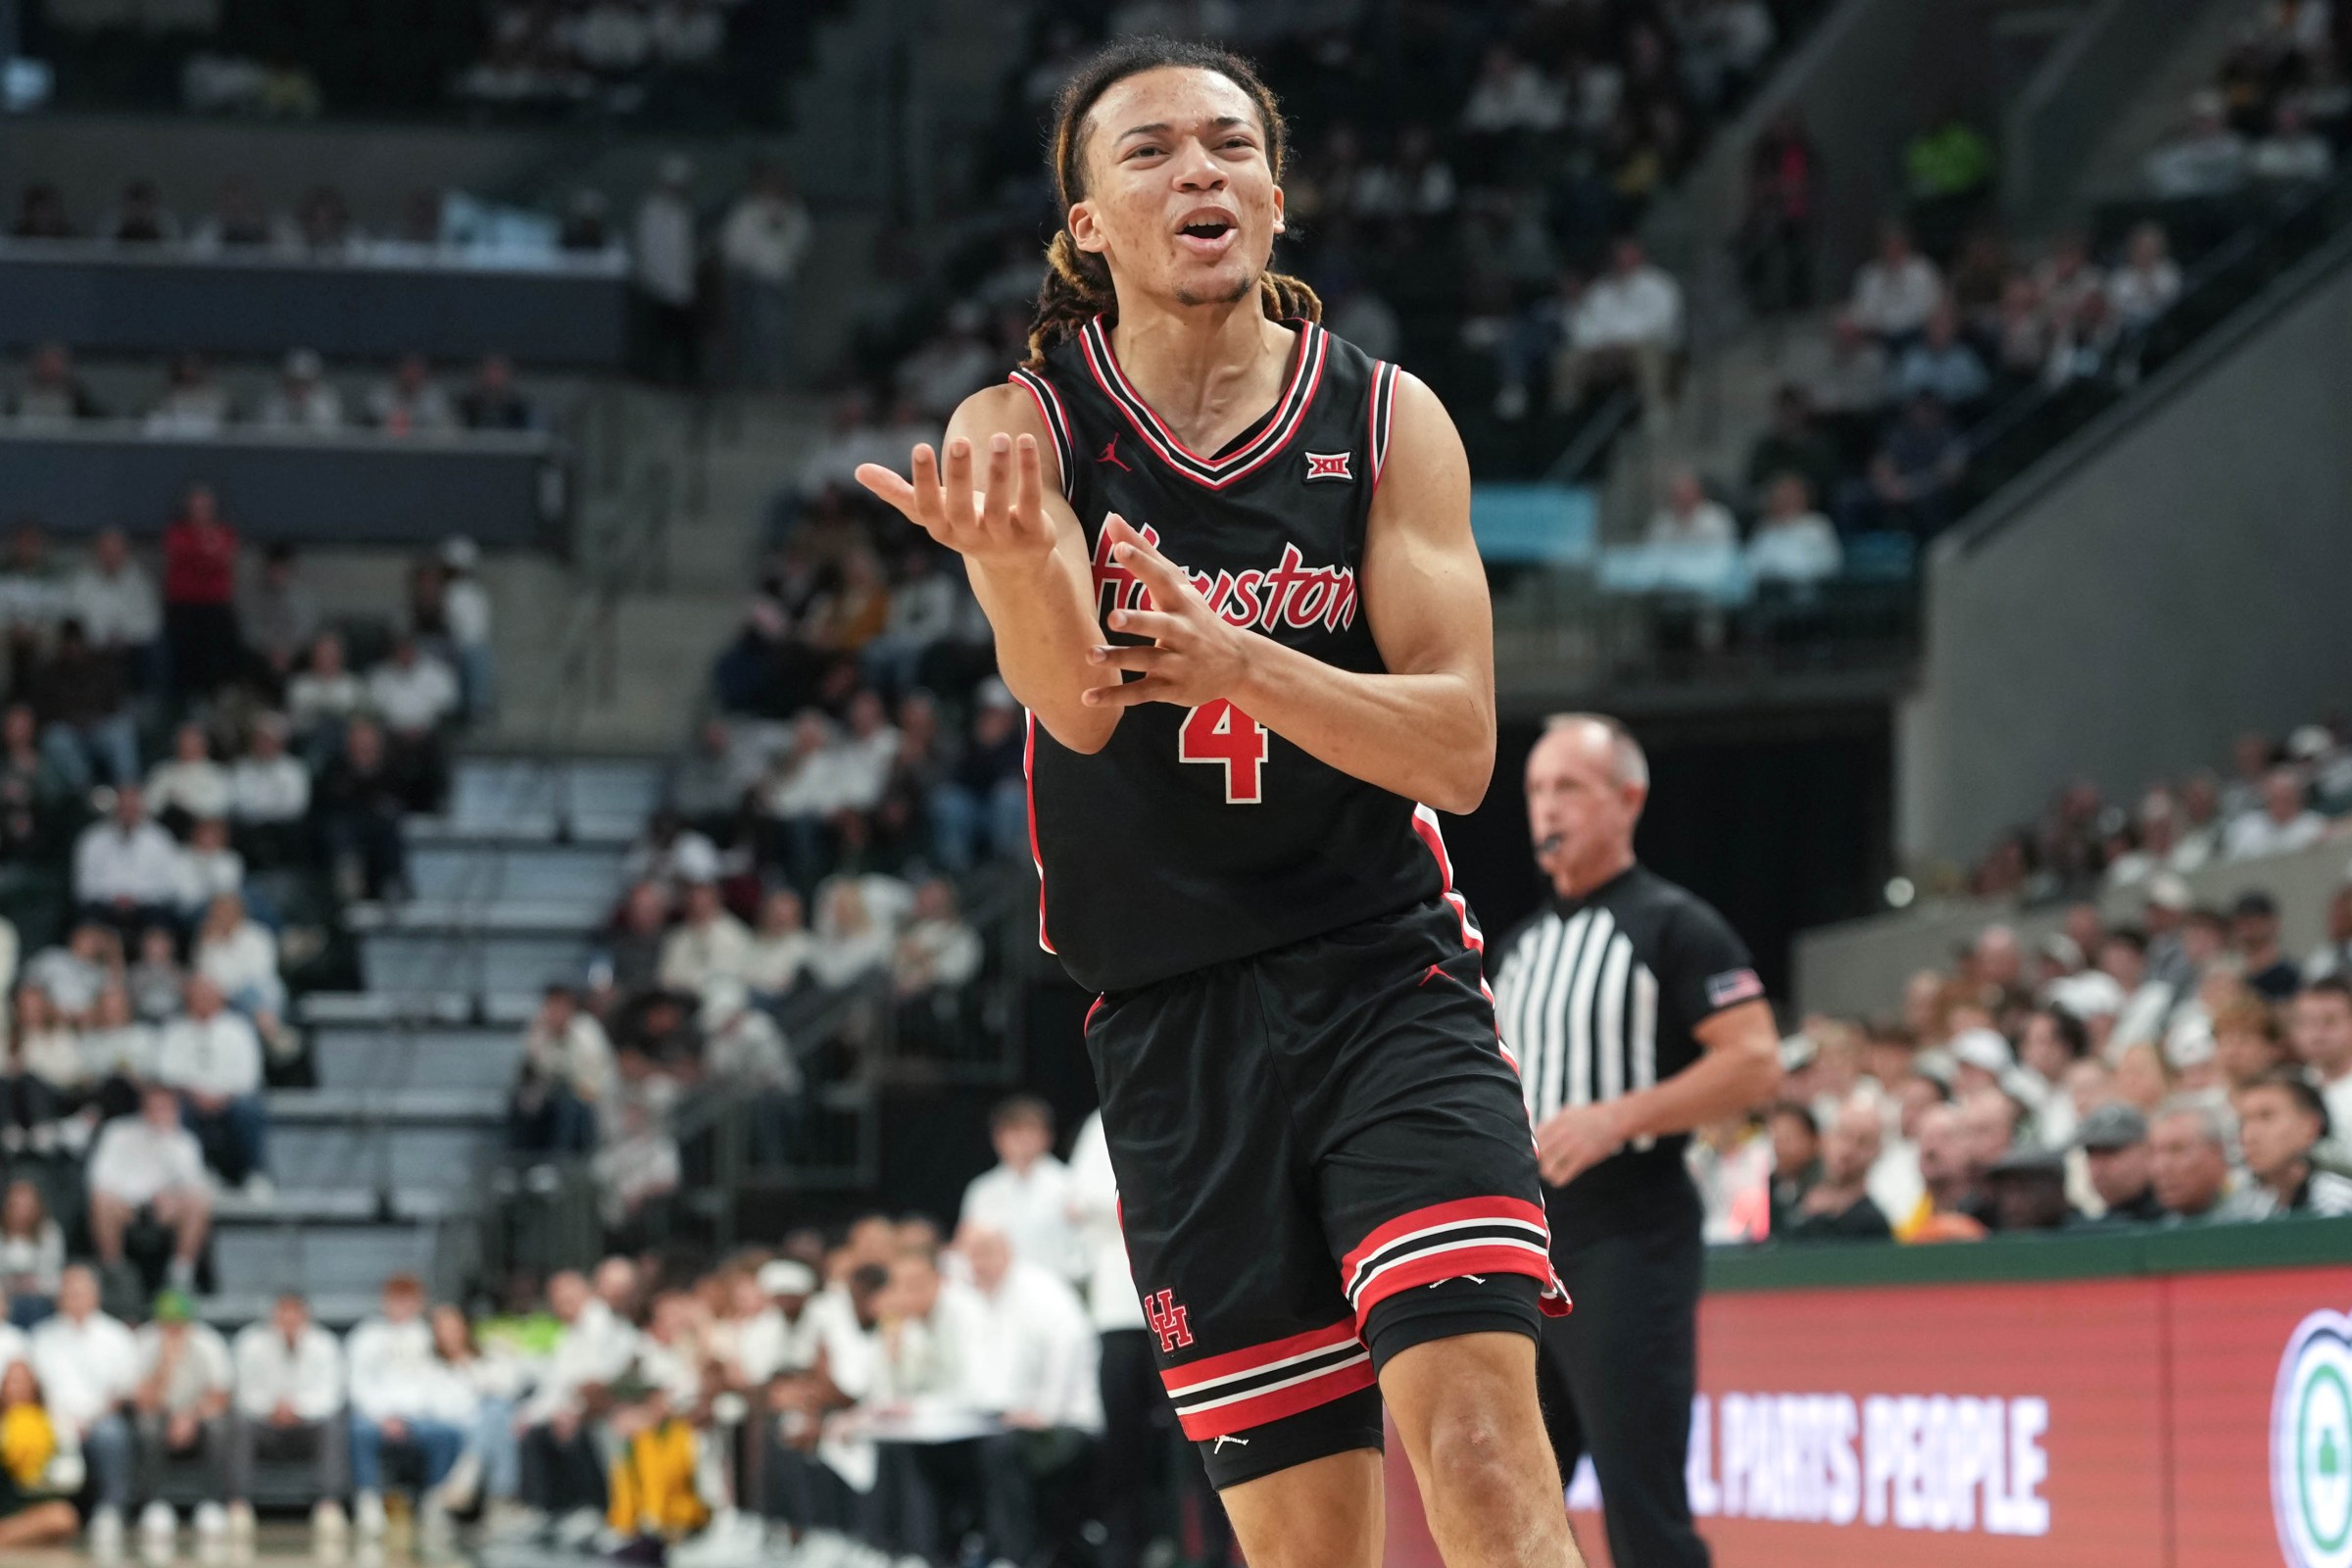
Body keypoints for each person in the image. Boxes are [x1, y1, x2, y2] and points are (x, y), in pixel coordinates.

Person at [856, 37, 1582, 1568]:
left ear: (1272, 190)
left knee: (1479, 1445)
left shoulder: (1390, 421)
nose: (1203, 171)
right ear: (1086, 232)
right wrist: (1005, 561)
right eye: (1153, 152)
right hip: (1172, 1018)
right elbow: (1072, 696)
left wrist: (1241, 659)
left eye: (1232, 145)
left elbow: (1455, 752)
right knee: (1310, 1544)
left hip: (1384, 977)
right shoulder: (1024, 427)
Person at [1491, 715, 1781, 1568]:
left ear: (1628, 800)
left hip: (1630, 1236)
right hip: (1527, 1252)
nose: (1548, 808)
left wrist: (1619, 1115)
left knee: (1640, 1508)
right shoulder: (1514, 950)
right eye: (1537, 789)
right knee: (1511, 1502)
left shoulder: (1674, 926)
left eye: (1569, 788)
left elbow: (1756, 1063)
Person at [347, 1274, 466, 1540]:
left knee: (448, 1433)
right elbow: (358, 1384)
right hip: (376, 1417)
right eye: (396, 1299)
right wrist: (384, 1417)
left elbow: (435, 1382)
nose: (401, 1306)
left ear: (418, 1303)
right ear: (385, 1301)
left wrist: (408, 1417)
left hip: (418, 1417)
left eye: (408, 1300)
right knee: (358, 1430)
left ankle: (435, 1501)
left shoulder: (429, 1335)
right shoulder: (365, 1335)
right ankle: (368, 1501)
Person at [29, 1266, 139, 1552]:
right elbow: (36, 1388)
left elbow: (123, 1392)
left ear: (95, 1296)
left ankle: (111, 1510)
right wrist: (62, 1421)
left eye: (81, 1292)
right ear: (59, 1297)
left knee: (111, 1434)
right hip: (53, 1419)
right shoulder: (43, 1336)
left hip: (101, 1418)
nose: (74, 1298)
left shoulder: (116, 1335)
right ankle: (35, 1512)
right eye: (69, 1292)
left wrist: (90, 1420)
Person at [228, 1295, 350, 1541]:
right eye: (283, 1314)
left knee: (332, 1425)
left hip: (307, 1424)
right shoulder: (251, 1342)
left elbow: (331, 1393)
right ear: (273, 1316)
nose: (288, 1321)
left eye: (294, 1315)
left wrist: (297, 1408)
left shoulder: (324, 1343)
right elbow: (241, 1391)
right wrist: (272, 1408)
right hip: (265, 1423)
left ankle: (329, 1504)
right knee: (239, 1424)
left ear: (305, 1316)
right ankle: (238, 1504)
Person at [129, 1289, 233, 1548]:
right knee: (147, 1426)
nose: (173, 1329)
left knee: (219, 1426)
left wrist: (190, 1416)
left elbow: (220, 1396)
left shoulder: (208, 1342)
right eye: (167, 1323)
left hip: (197, 1415)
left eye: (178, 1323)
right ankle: (155, 1504)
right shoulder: (145, 1342)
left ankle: (212, 1504)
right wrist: (165, 1365)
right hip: (161, 1414)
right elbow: (142, 1401)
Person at [87, 1085, 213, 1291]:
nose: (158, 1113)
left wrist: (171, 1196)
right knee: (101, 1201)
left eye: (165, 1108)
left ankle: (181, 1274)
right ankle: (114, 1274)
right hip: (125, 1206)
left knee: (198, 1202)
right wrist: (130, 1198)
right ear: (143, 1109)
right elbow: (99, 1178)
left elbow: (195, 1183)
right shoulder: (118, 1133)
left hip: (165, 1211)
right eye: (154, 1107)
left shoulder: (183, 1142)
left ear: (175, 1110)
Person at [154, 976, 270, 1195]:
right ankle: (198, 1175)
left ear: (219, 998)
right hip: (189, 1098)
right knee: (174, 1110)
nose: (202, 1000)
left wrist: (220, 1097)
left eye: (208, 995)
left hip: (231, 1099)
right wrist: (197, 1095)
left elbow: (249, 1076)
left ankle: (254, 1174)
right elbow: (167, 1075)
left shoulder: (238, 1029)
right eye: (197, 995)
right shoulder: (175, 1030)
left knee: (248, 1110)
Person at [957, 1096, 1079, 1283]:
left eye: (1031, 1130)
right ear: (998, 1138)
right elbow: (968, 1248)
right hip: (1000, 1293)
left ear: (1047, 1137)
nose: (1023, 1139)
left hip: (1060, 1290)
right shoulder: (982, 1191)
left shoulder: (1070, 1184)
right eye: (1014, 1131)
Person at [719, 163, 811, 388]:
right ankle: (753, 380)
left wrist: (792, 259)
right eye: (769, 180)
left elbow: (803, 241)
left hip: (783, 280)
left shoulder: (793, 210)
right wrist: (748, 266)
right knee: (757, 331)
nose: (773, 185)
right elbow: (733, 246)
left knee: (781, 332)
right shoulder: (747, 210)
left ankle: (776, 379)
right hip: (756, 281)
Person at [2225, 1071, 2352, 1218]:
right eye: (2243, 1121)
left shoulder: (2339, 1206)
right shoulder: (2244, 1207)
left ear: (2309, 1127)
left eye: (2266, 1116)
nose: (2248, 1135)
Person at [161, 484, 241, 702]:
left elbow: (224, 560)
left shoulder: (225, 533)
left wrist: (202, 556)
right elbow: (188, 560)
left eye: (205, 507)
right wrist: (206, 554)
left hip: (214, 610)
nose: (201, 512)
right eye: (196, 507)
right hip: (183, 609)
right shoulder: (176, 534)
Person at [1781, 1094, 1892, 1241]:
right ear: (1825, 1139)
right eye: (1843, 1134)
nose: (1849, 1149)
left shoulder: (1873, 1225)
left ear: (1877, 1152)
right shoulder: (1794, 1203)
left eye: (1863, 1141)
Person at [0, 1360, 83, 1549]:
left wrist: (34, 1471)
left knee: (63, 1517)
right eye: (11, 1382)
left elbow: (71, 1477)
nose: (16, 1389)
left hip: (31, 1503)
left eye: (22, 1382)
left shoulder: (54, 1424)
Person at [2149, 1098, 2234, 1223]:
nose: (2160, 1168)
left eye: (2177, 1150)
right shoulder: (2160, 1229)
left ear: (2216, 1153)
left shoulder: (2257, 1218)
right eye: (2153, 1153)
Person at [2078, 1102, 2163, 1223]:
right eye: (2091, 1154)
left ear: (2147, 1151)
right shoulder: (2092, 1227)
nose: (2099, 1167)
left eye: (2111, 1151)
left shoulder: (2175, 1218)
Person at [0, 1181, 64, 1327]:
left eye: (26, 1207)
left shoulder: (49, 1232)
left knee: (31, 1304)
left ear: (36, 1207)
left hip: (41, 1296)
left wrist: (35, 1284)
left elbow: (54, 1275)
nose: (21, 1212)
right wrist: (11, 1284)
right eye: (15, 1206)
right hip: (5, 1295)